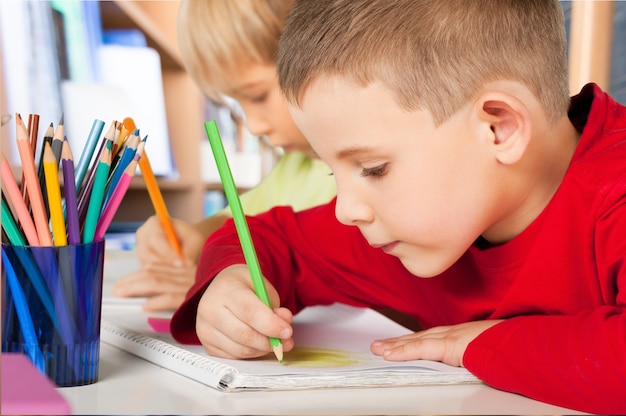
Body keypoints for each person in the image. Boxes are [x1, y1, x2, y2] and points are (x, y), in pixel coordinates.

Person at [169, 0, 626, 412]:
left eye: (372, 169)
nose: (346, 210)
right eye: (333, 172)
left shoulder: (613, 193)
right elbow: (267, 239)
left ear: (499, 128)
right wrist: (233, 284)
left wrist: (486, 344)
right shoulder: (403, 225)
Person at [111, 0, 336, 311]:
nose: (254, 126)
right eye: (237, 102)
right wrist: (194, 235)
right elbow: (239, 221)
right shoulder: (296, 166)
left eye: (258, 96)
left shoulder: (360, 174)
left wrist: (215, 280)